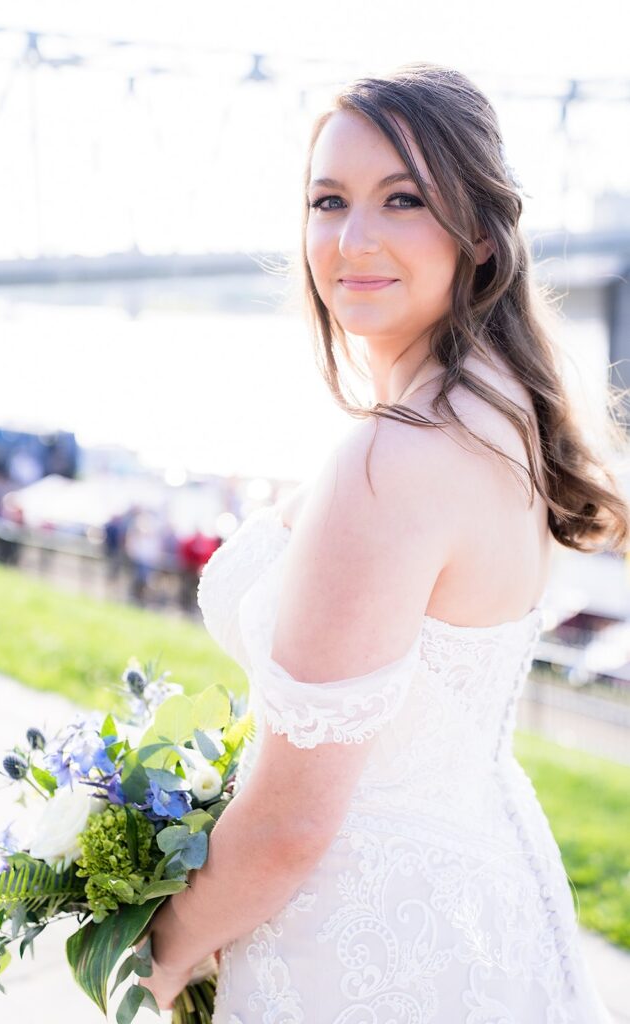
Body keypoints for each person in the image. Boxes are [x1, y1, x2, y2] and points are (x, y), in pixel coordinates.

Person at [139, 62, 629, 1022]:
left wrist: (151, 956)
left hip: (354, 943)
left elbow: (289, 824)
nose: (351, 240)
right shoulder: (503, 413)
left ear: (478, 232)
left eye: (401, 200)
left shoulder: (393, 459)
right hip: (476, 903)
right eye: (329, 201)